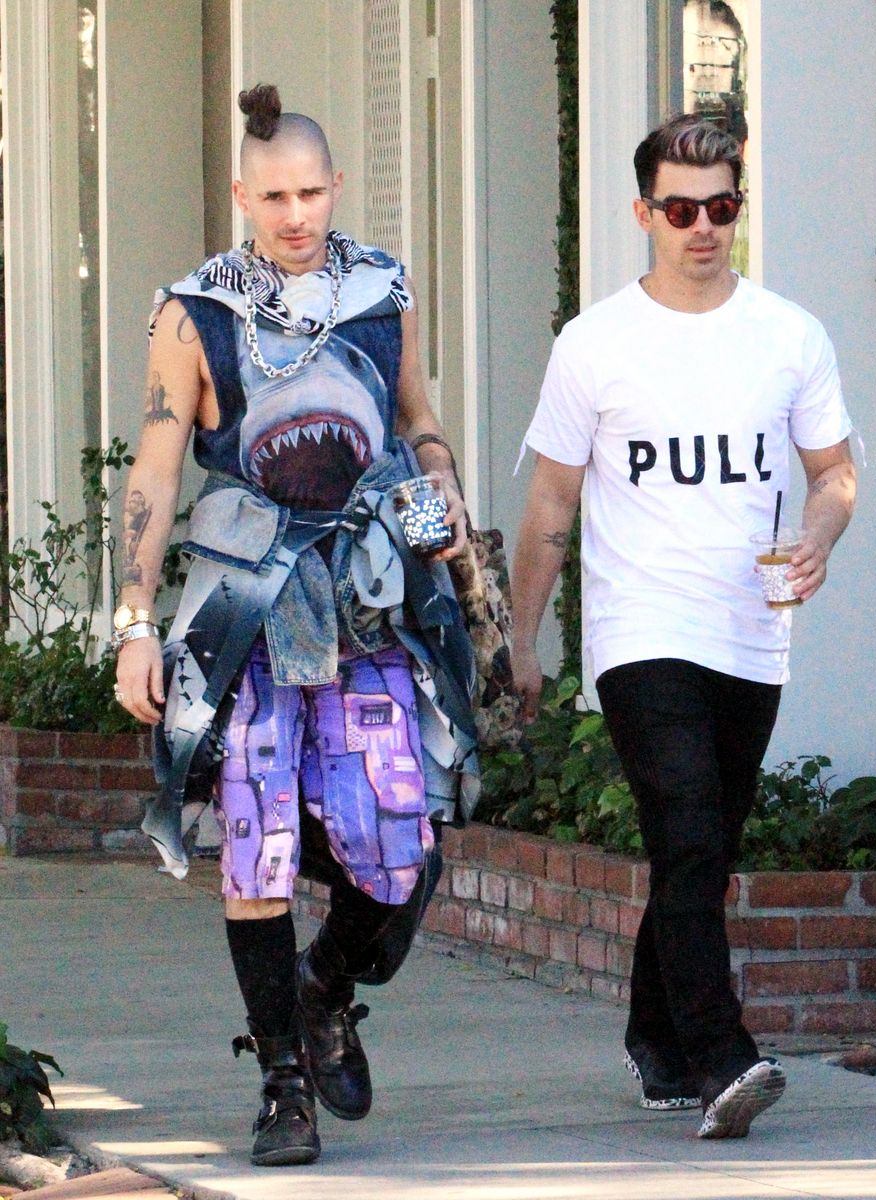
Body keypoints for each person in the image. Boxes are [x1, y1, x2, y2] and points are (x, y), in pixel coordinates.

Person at [113, 84, 477, 1166]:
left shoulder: (379, 290)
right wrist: (135, 622)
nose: (295, 214)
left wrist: (443, 495)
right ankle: (281, 1084)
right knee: (256, 847)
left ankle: (322, 990)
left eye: (311, 192)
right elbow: (155, 468)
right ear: (242, 194)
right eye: (273, 196)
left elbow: (416, 421)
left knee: (402, 849)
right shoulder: (195, 313)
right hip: (248, 609)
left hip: (369, 599)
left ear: (336, 186)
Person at [511, 113, 856, 1139]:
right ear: (644, 213)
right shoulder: (596, 343)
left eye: (721, 206)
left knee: (698, 848)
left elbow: (834, 473)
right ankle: (722, 1058)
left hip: (751, 627)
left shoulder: (790, 335)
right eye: (680, 209)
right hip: (641, 627)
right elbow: (551, 503)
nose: (703, 227)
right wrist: (521, 641)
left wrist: (820, 535)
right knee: (691, 826)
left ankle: (655, 1039)